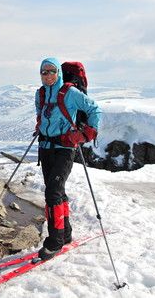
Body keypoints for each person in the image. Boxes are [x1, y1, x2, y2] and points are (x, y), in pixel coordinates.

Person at [35, 57, 102, 260]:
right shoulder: (40, 93)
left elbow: (94, 109)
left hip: (65, 148)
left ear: (59, 73)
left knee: (53, 191)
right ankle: (65, 233)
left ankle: (54, 242)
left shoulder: (70, 92)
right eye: (44, 72)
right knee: (56, 191)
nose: (48, 76)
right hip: (46, 147)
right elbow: (41, 114)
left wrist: (86, 134)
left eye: (51, 71)